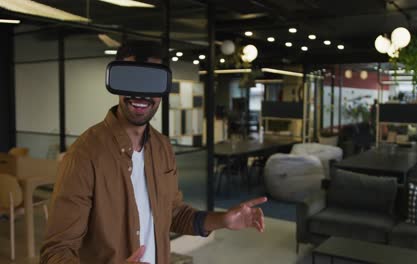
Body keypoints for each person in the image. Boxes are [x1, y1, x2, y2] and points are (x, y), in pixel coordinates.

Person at [40, 41, 267, 264]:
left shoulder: (162, 147)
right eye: (131, 80)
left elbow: (174, 214)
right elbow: (57, 250)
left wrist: (223, 219)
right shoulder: (84, 154)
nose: (141, 95)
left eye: (151, 82)